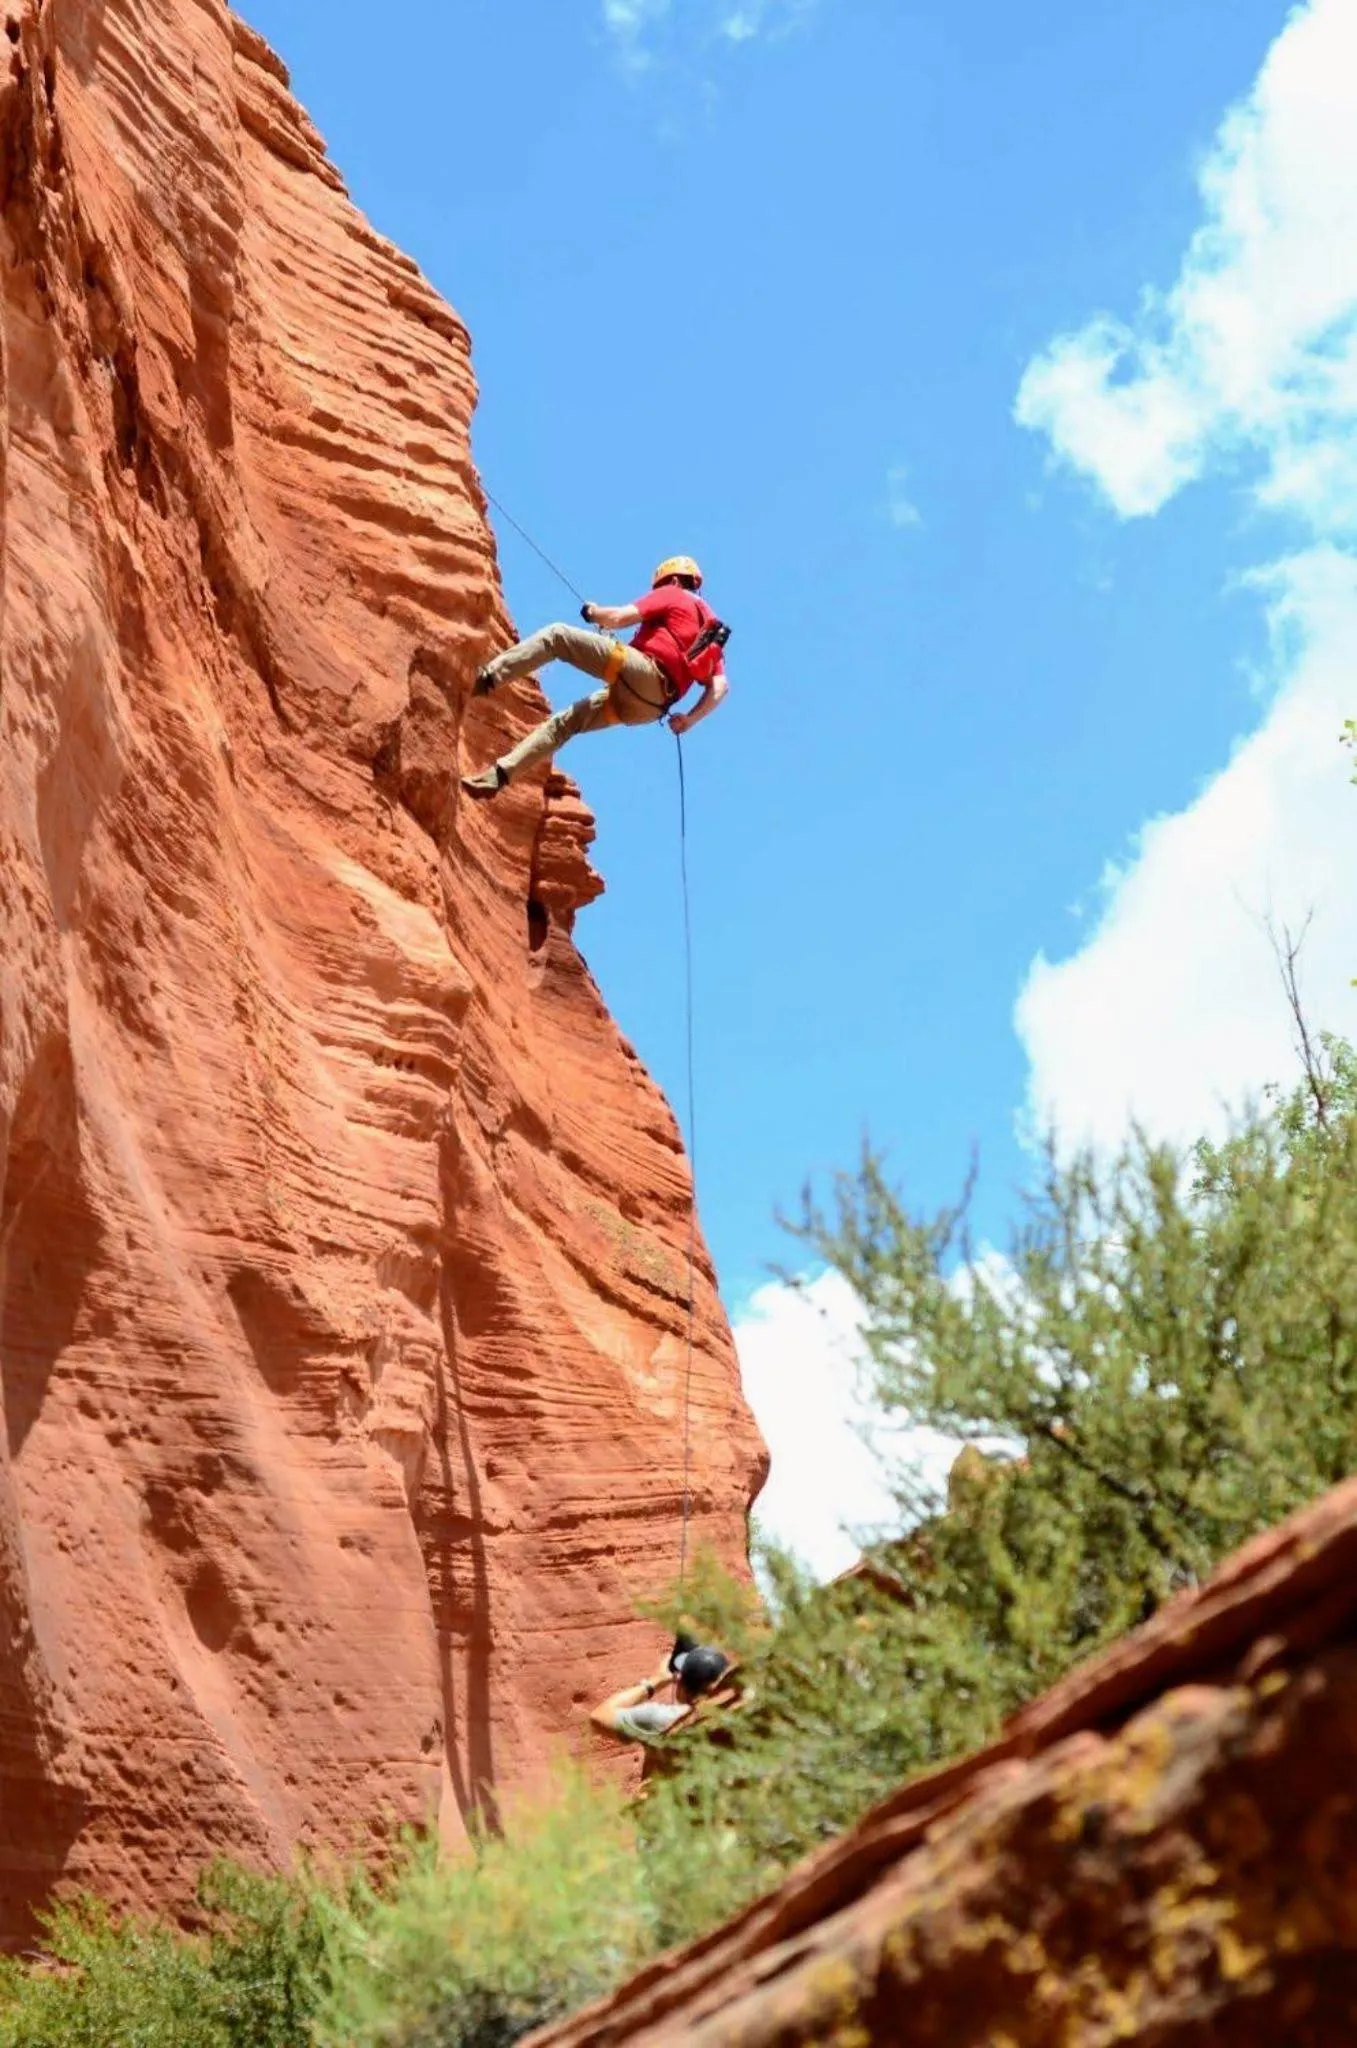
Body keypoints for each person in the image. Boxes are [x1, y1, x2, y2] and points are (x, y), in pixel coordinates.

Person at [461, 556, 729, 799]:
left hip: (641, 672)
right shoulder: (710, 628)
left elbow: (617, 618)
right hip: (650, 708)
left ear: (671, 580)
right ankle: (497, 777)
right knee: (566, 724)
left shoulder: (673, 594)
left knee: (557, 636)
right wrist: (689, 720)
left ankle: (482, 680)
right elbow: (720, 686)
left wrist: (592, 613)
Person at [589, 1640, 732, 1745]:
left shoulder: (664, 1719)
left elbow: (598, 1717)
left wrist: (655, 1681)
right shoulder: (735, 1717)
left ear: (681, 1684)